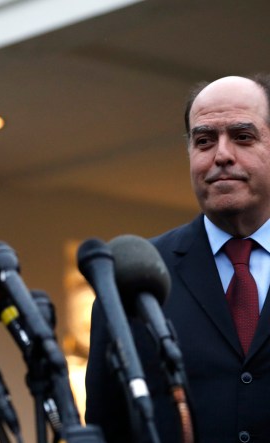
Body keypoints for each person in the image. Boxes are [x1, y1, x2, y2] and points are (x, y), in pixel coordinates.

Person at [86, 75, 270, 443]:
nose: (221, 155)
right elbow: (106, 428)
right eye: (204, 141)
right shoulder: (130, 277)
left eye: (242, 136)